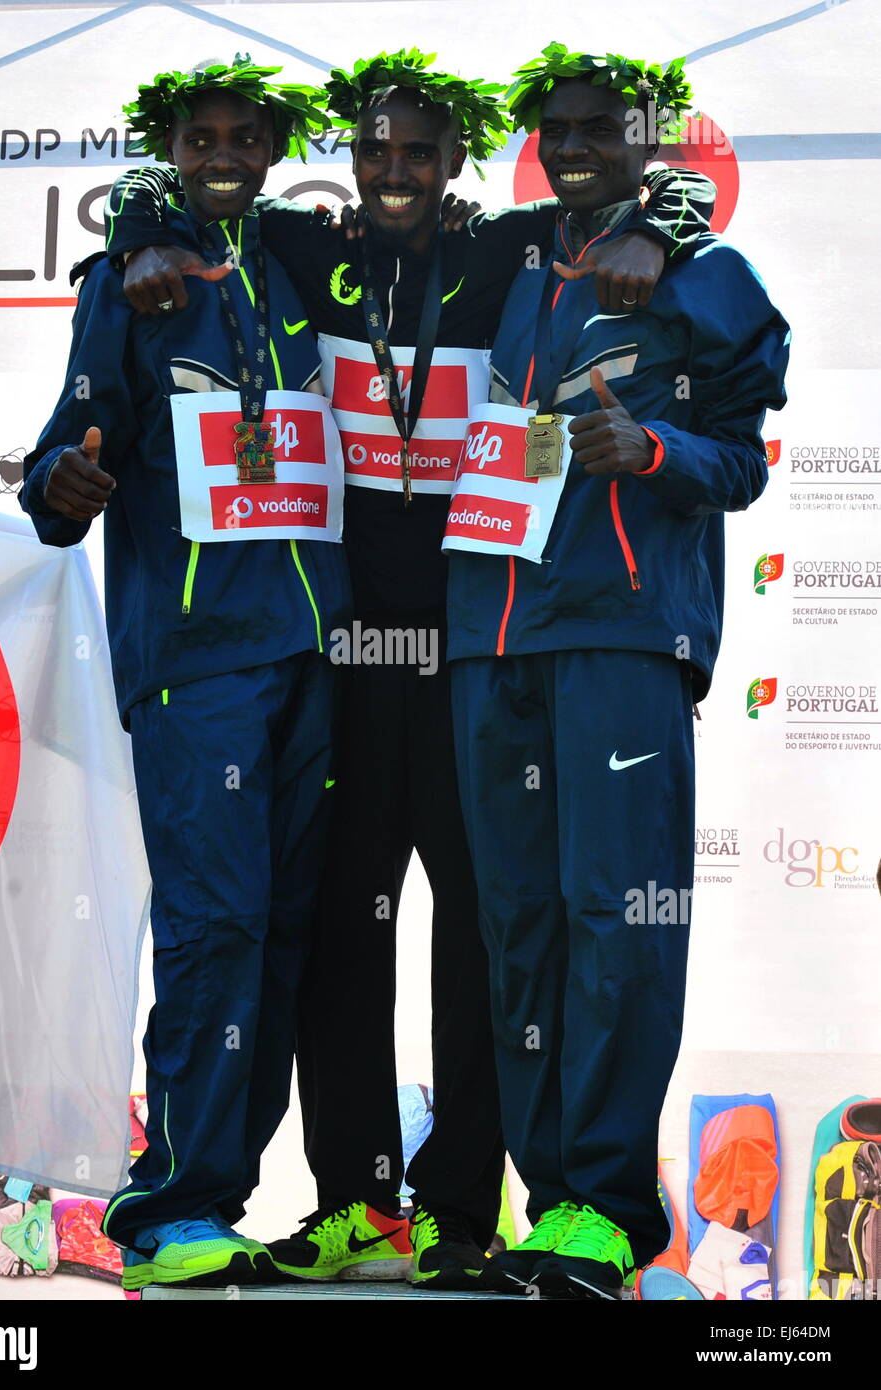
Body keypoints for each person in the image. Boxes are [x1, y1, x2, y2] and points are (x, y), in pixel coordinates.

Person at [104, 47, 716, 1289]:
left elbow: (646, 206)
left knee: (488, 934)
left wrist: (673, 211)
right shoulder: (285, 249)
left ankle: (460, 1210)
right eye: (374, 151)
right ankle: (357, 1202)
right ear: (344, 157)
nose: (392, 173)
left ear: (458, 164)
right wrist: (129, 241)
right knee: (339, 928)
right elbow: (166, 201)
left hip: (471, 648)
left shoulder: (506, 254)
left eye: (419, 154)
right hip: (335, 653)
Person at [442, 46, 790, 1299]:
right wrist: (148, 216)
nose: (577, 145)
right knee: (519, 931)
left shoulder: (700, 271)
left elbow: (741, 462)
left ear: (650, 140)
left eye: (604, 128)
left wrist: (651, 448)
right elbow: (336, 248)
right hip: (489, 639)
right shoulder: (508, 253)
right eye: (558, 129)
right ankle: (551, 1216)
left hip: (623, 639)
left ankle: (604, 1207)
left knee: (616, 921)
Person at [17, 58, 351, 1293]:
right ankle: (167, 1212)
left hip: (318, 652)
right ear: (170, 147)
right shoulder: (131, 279)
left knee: (280, 936)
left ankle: (219, 1198)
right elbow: (68, 443)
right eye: (196, 137)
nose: (224, 153)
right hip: (198, 660)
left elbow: (438, 249)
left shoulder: (303, 263)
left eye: (243, 137)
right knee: (215, 927)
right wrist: (57, 486)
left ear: (272, 152)